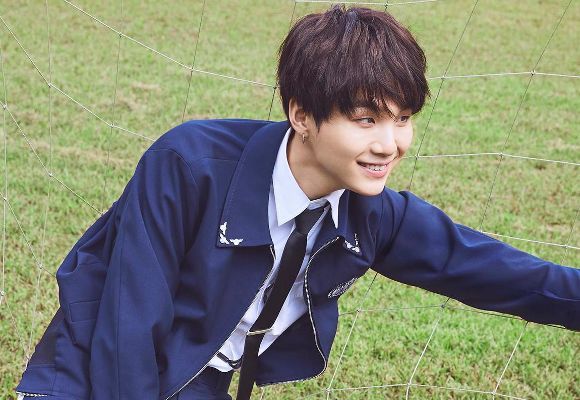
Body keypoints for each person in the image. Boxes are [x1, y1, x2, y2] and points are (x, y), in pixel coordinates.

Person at [15, 5, 579, 400]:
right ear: (301, 115)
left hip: (198, 383)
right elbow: (127, 326)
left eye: (403, 119)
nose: (390, 144)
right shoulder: (188, 165)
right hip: (87, 375)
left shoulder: (371, 214)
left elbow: (492, 271)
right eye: (366, 120)